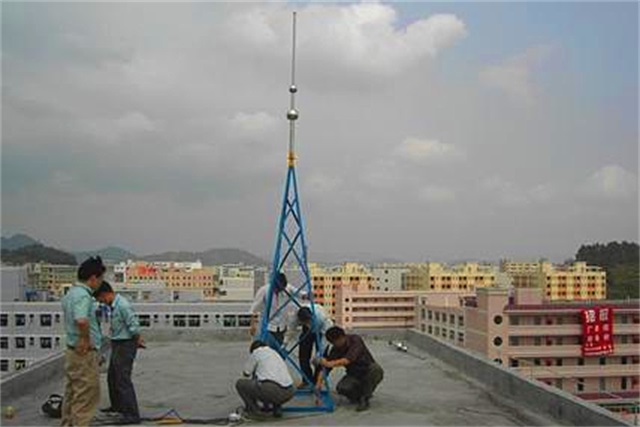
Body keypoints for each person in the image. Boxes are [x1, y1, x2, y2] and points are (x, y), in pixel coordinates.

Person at [61, 256, 105, 426]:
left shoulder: (71, 293)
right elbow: (81, 320)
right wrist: (85, 340)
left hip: (72, 351)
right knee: (86, 395)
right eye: (101, 278)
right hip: (83, 353)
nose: (101, 283)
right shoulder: (83, 296)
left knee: (73, 392)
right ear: (93, 278)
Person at [94, 281, 145, 424]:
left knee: (123, 379)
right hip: (117, 342)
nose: (102, 302)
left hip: (126, 343)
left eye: (101, 299)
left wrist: (137, 340)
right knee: (113, 376)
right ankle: (117, 406)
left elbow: (133, 325)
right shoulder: (114, 306)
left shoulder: (123, 305)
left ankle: (131, 414)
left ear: (105, 294)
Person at [316, 326, 384, 412]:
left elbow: (348, 359)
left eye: (335, 342)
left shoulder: (355, 340)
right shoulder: (335, 349)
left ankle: (365, 398)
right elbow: (326, 368)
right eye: (333, 343)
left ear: (342, 337)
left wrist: (328, 363)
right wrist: (318, 384)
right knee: (342, 388)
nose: (335, 345)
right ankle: (360, 395)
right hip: (354, 374)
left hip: (367, 370)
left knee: (376, 369)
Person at [235, 340, 295, 419]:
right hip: (290, 391)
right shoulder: (274, 353)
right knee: (269, 381)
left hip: (272, 390)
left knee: (240, 384)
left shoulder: (256, 352)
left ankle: (254, 410)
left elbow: (246, 373)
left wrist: (254, 370)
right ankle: (277, 408)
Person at [286, 296, 333, 388]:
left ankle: (316, 381)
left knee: (321, 358)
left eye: (308, 321)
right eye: (304, 322)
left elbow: (325, 338)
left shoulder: (322, 318)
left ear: (311, 316)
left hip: (321, 332)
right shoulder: (295, 316)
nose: (308, 323)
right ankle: (307, 380)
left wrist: (319, 354)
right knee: (303, 355)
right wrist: (285, 343)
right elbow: (291, 330)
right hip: (306, 332)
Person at [249, 272, 293, 348]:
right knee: (266, 349)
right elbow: (254, 309)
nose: (280, 291)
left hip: (281, 327)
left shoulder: (286, 288)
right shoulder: (264, 290)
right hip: (268, 327)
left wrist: (306, 295)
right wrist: (253, 325)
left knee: (279, 350)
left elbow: (300, 294)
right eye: (279, 289)